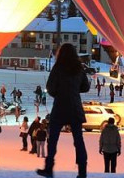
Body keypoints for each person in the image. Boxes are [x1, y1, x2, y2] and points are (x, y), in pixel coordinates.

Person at [37, 43, 90, 178]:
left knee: (53, 139)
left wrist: (59, 94)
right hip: (75, 108)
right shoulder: (79, 68)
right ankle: (82, 171)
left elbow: (50, 87)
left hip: (60, 107)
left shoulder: (58, 68)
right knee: (78, 140)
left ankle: (49, 168)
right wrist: (74, 90)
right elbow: (86, 87)